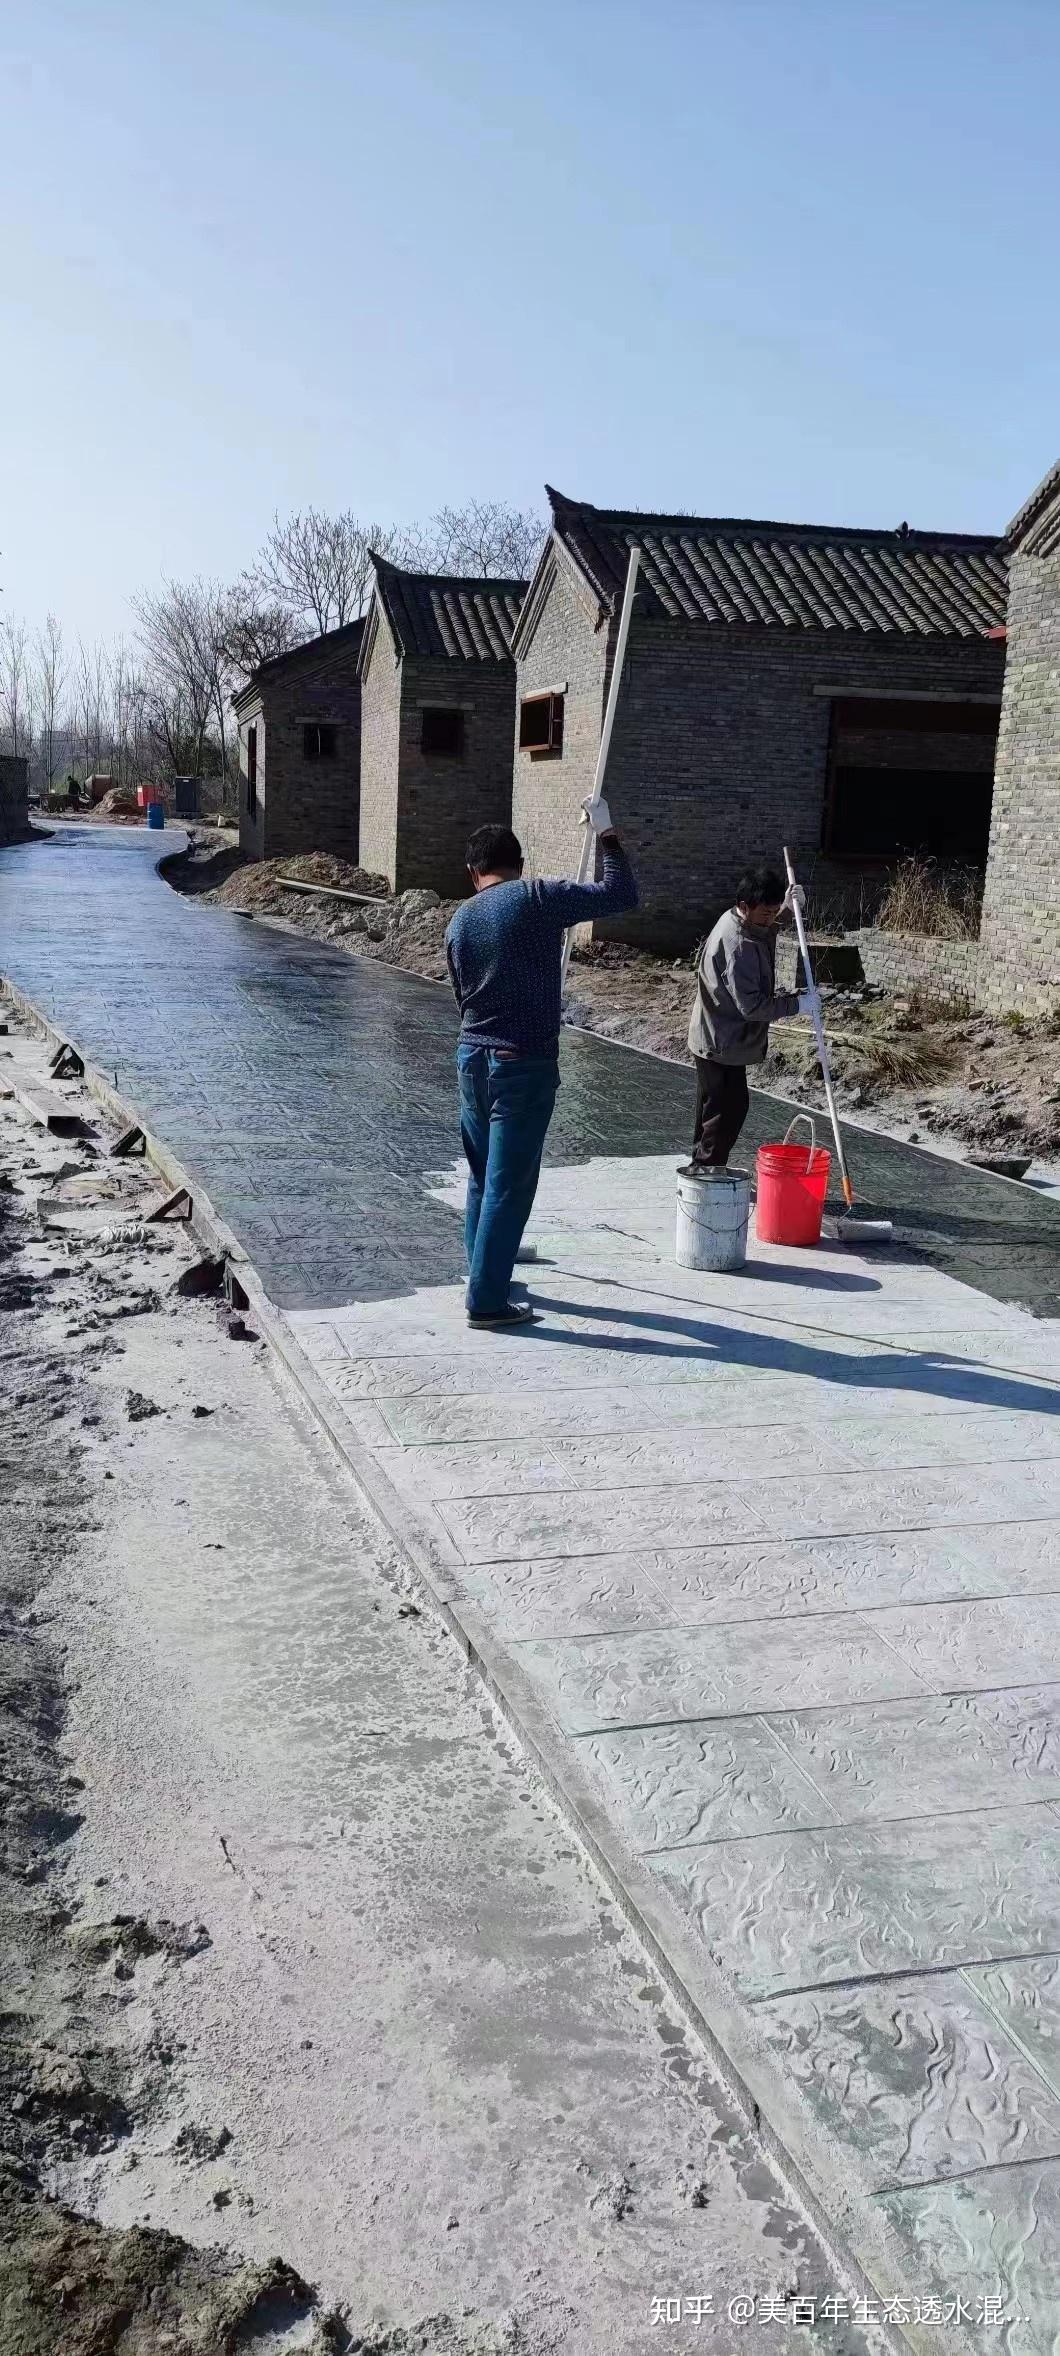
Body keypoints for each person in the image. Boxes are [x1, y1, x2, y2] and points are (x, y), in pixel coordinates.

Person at [445, 801, 638, 1327]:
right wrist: (608, 837)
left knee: (483, 1178)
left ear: (472, 871)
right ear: (519, 864)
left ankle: (486, 1273)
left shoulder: (460, 919)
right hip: (521, 1062)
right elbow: (621, 894)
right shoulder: (535, 897)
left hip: (471, 1057)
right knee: (510, 1184)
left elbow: (461, 994)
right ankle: (486, 1302)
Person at [683, 863, 819, 1177]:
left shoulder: (739, 918)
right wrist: (798, 1004)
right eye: (766, 913)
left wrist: (787, 907)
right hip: (721, 1039)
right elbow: (753, 1007)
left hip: (717, 1035)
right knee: (726, 1113)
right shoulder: (738, 944)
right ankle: (706, 1177)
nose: (771, 920)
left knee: (714, 1112)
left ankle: (702, 1171)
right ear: (745, 906)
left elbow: (762, 928)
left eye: (773, 913)